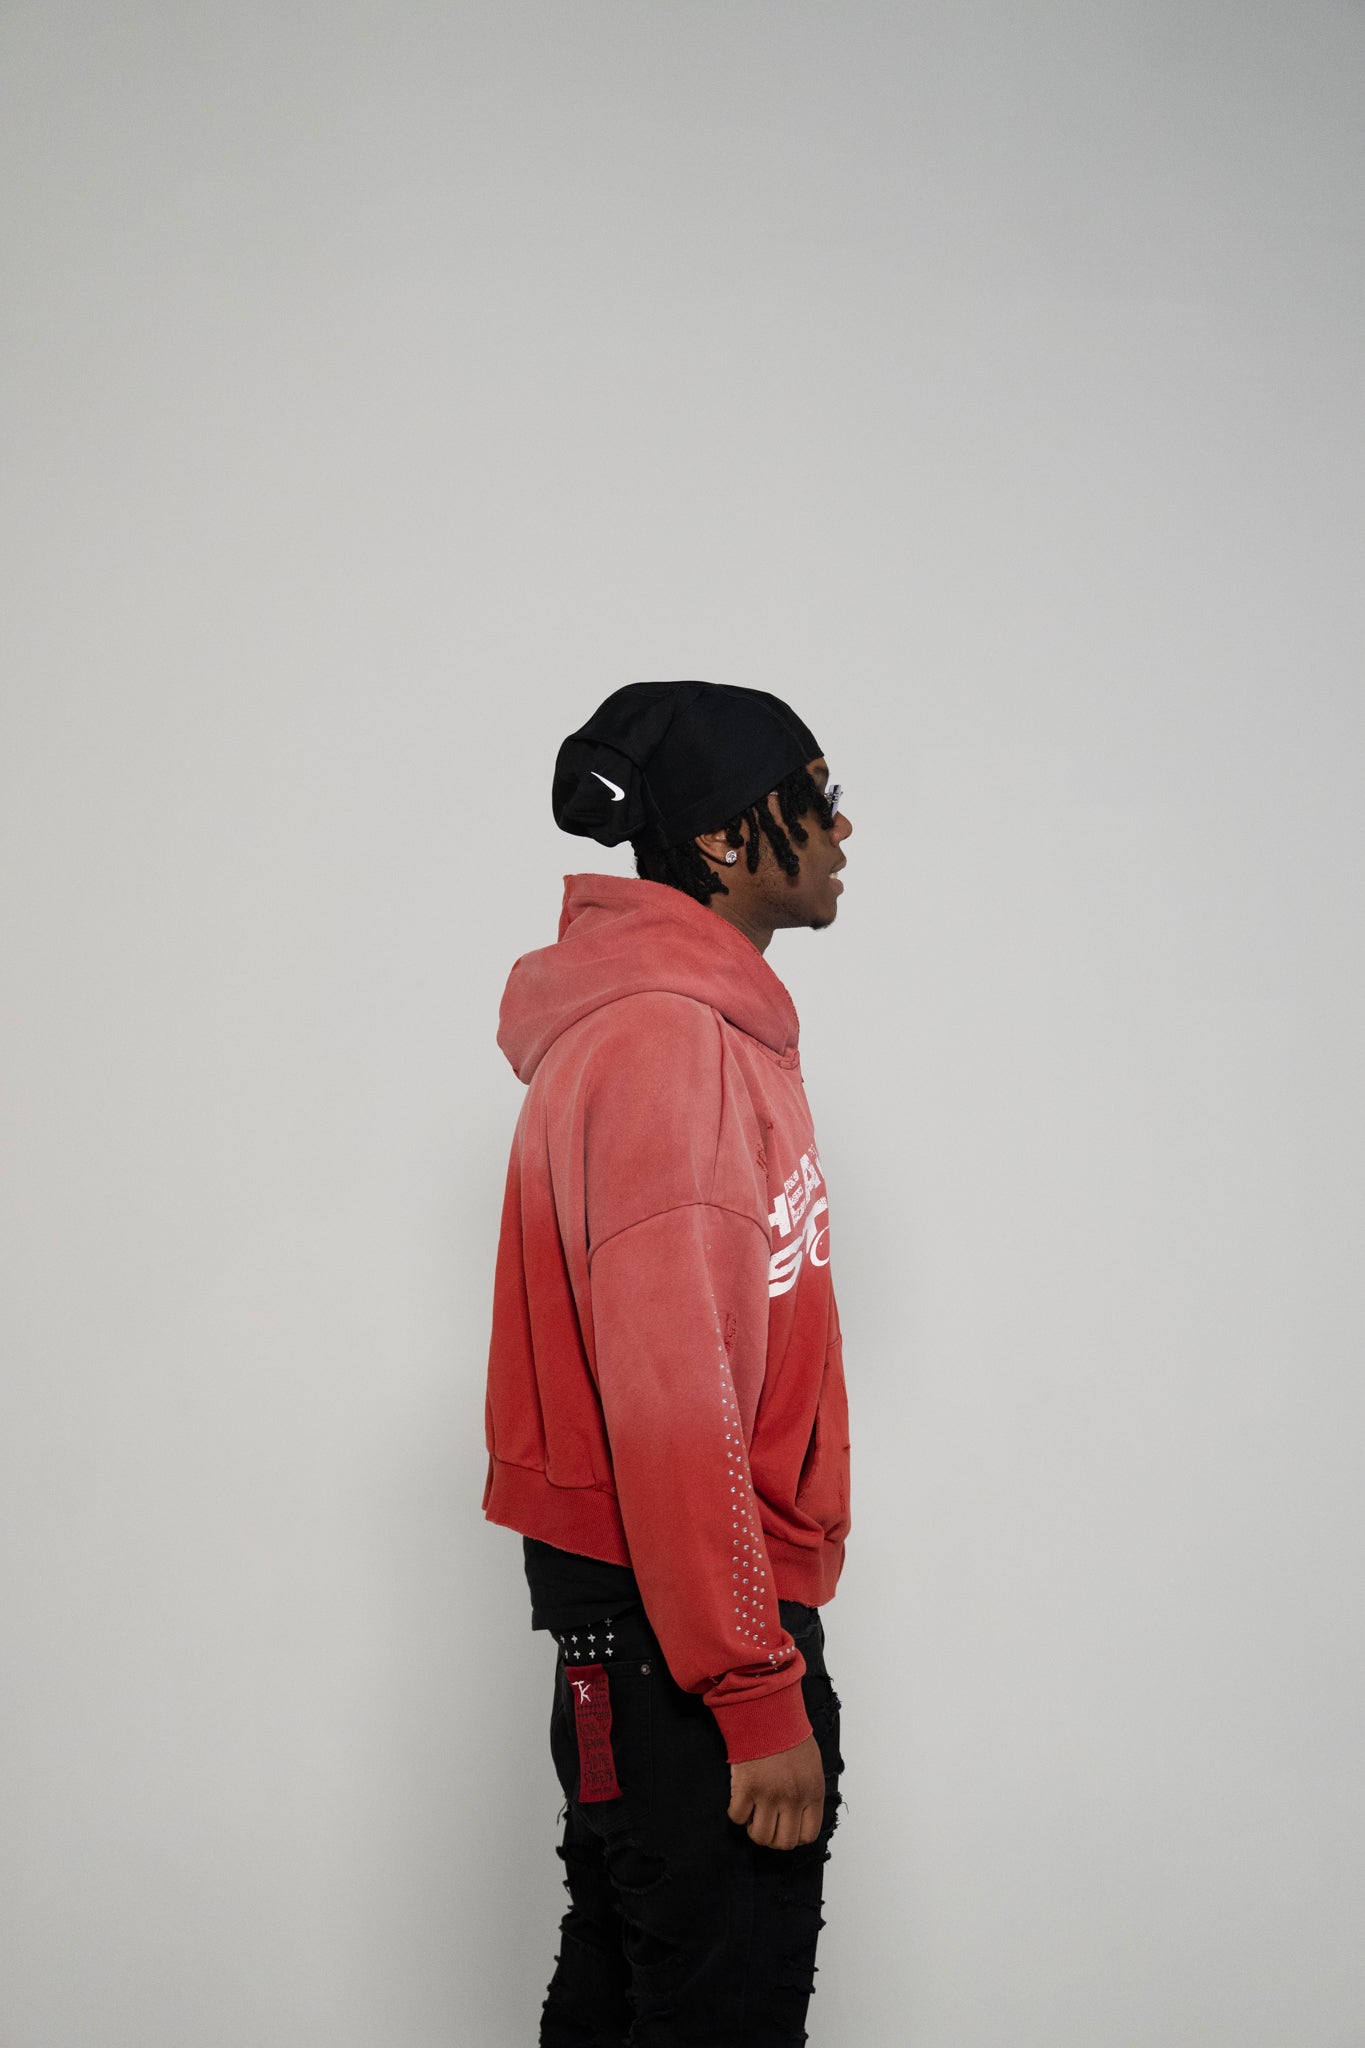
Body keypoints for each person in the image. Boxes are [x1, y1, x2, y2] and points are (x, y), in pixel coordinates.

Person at [482, 679, 854, 2045]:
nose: (842, 826)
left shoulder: (684, 1031)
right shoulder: (663, 1044)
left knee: (621, 2006)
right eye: (815, 795)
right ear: (719, 838)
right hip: (688, 1653)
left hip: (648, 1647)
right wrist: (753, 1689)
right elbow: (675, 1403)